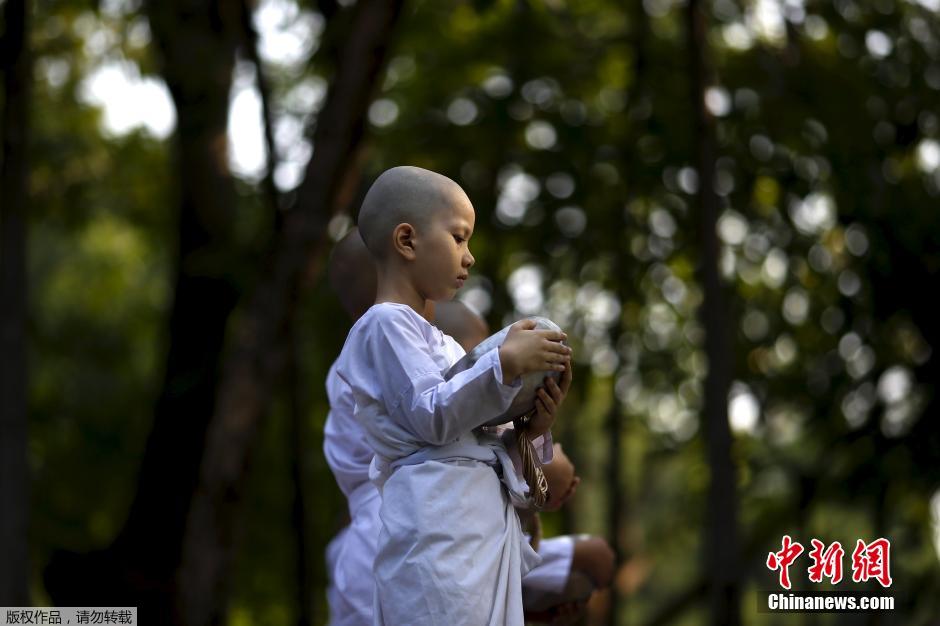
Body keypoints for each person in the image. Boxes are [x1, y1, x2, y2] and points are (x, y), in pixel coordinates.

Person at [333, 166, 572, 626]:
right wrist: (503, 364)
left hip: (473, 533)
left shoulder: (444, 345)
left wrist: (531, 430)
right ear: (407, 240)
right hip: (437, 536)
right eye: (459, 238)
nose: (470, 256)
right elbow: (432, 416)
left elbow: (480, 438)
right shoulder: (383, 325)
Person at [436, 301, 616, 624]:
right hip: (450, 566)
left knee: (600, 559)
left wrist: (535, 429)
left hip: (477, 559)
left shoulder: (479, 429)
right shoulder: (429, 420)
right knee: (596, 556)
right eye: (480, 358)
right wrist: (551, 474)